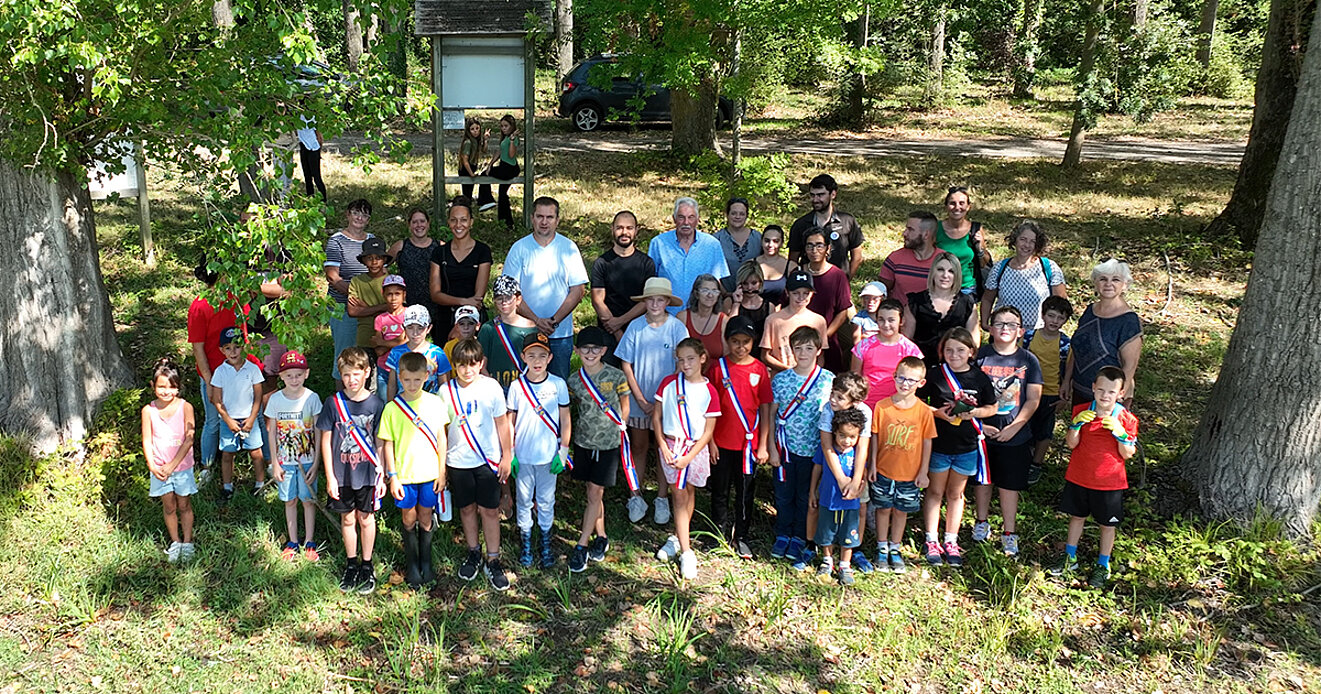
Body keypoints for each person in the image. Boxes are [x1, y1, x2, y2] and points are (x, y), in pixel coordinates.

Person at [1050, 366, 1138, 588]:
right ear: (1093, 388)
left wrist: (1120, 434)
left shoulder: (1126, 418)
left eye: (1111, 391)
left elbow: (1127, 454)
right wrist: (1076, 425)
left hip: (1110, 482)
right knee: (1076, 517)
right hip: (1079, 476)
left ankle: (1103, 565)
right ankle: (1070, 557)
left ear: (1120, 393)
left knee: (1107, 525)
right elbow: (1072, 444)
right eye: (1101, 390)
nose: (1105, 395)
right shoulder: (1081, 410)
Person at [439, 339, 515, 591]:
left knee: (490, 510)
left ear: (481, 363)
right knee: (467, 508)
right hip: (458, 461)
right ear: (454, 365)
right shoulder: (446, 392)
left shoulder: (491, 387)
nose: (467, 370)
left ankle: (493, 559)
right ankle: (474, 552)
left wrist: (507, 455)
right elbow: (443, 431)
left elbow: (502, 423)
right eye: (461, 365)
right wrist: (442, 466)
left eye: (472, 364)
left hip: (487, 460)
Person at [918, 328, 997, 568]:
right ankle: (931, 539)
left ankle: (951, 539)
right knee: (935, 492)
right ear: (942, 351)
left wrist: (975, 412)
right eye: (949, 350)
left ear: (971, 352)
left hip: (967, 446)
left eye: (960, 350)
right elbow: (918, 402)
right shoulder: (935, 374)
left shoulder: (979, 377)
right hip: (939, 444)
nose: (954, 355)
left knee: (956, 494)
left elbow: (992, 407)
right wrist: (937, 413)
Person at [615, 277, 688, 525]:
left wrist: (661, 400)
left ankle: (661, 497)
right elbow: (626, 364)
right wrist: (640, 398)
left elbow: (681, 364)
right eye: (651, 300)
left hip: (667, 402)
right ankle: (635, 495)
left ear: (667, 302)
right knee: (638, 445)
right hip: (640, 398)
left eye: (660, 300)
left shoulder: (677, 328)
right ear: (644, 302)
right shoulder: (635, 327)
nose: (655, 304)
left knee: (663, 447)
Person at [972, 306, 1043, 558]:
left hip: (1015, 435)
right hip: (982, 432)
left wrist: (1015, 427)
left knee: (1009, 486)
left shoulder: (1028, 360)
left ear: (1021, 331)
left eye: (1011, 324)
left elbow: (1033, 399)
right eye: (999, 323)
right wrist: (980, 425)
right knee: (983, 480)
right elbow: (968, 394)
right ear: (990, 328)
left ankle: (1009, 532)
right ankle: (981, 522)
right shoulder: (980, 356)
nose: (1005, 328)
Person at [379, 351, 451, 589]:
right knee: (408, 517)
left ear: (426, 376)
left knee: (426, 516)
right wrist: (392, 476)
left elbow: (441, 438)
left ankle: (426, 563)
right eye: (407, 380)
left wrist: (442, 472)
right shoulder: (392, 408)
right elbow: (388, 443)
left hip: (430, 473)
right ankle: (412, 563)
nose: (412, 385)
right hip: (405, 475)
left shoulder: (435, 403)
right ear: (399, 378)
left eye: (417, 380)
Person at [652, 338, 721, 580]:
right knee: (679, 495)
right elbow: (657, 418)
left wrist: (690, 456)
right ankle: (687, 552)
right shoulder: (668, 384)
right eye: (680, 360)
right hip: (672, 447)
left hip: (695, 449)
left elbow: (708, 431)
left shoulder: (709, 391)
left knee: (689, 491)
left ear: (702, 358)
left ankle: (677, 537)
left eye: (690, 358)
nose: (685, 364)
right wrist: (663, 445)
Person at [318, 347, 386, 595]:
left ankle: (367, 565)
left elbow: (380, 440)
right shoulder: (333, 403)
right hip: (342, 473)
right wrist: (330, 476)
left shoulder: (376, 404)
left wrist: (382, 473)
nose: (351, 380)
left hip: (367, 472)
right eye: (346, 375)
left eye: (356, 374)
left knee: (366, 518)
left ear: (367, 372)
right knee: (347, 518)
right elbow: (326, 440)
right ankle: (351, 563)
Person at [768, 326, 835, 571]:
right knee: (784, 493)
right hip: (785, 447)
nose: (803, 353)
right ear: (791, 351)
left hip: (814, 450)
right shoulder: (781, 379)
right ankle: (782, 533)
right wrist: (771, 447)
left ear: (818, 351)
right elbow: (771, 414)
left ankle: (799, 536)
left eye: (809, 348)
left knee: (806, 495)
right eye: (798, 348)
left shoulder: (827, 379)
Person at [706, 316, 773, 559]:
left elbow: (765, 408)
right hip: (721, 443)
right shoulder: (717, 369)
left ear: (753, 342)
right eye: (735, 341)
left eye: (746, 341)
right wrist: (711, 442)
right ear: (727, 341)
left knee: (745, 493)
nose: (741, 347)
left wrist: (763, 445)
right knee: (719, 491)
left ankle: (741, 536)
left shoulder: (759, 370)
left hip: (748, 446)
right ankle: (717, 533)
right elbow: (708, 408)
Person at [502, 197, 589, 381]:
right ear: (532, 218)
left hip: (560, 334)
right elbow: (510, 292)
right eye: (539, 216)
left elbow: (578, 291)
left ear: (557, 220)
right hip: (523, 332)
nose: (544, 222)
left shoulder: (568, 248)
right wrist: (536, 320)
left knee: (558, 385)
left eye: (549, 217)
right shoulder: (519, 248)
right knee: (523, 386)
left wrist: (553, 322)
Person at [566, 326, 631, 572]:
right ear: (577, 351)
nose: (590, 353)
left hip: (608, 444)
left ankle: (582, 544)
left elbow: (625, 404)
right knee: (592, 493)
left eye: (595, 349)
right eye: (585, 349)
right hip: (583, 442)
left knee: (595, 491)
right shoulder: (573, 380)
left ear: (604, 350)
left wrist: (621, 425)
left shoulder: (616, 376)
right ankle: (601, 535)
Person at [507, 333, 572, 569]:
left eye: (542, 356)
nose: (537, 361)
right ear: (523, 357)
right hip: (523, 455)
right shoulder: (516, 387)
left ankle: (545, 541)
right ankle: (525, 541)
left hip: (548, 456)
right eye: (531, 355)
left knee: (546, 500)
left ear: (550, 358)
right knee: (524, 499)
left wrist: (563, 452)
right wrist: (510, 453)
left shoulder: (557, 384)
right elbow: (510, 421)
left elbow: (565, 419)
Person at [868, 356, 937, 575]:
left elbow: (927, 442)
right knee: (883, 509)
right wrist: (872, 465)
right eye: (901, 378)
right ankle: (881, 547)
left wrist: (924, 471)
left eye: (911, 380)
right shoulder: (882, 407)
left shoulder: (924, 411)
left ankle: (895, 548)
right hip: (883, 470)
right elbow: (874, 437)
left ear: (921, 383)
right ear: (894, 377)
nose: (905, 384)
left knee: (900, 511)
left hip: (910, 474)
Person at [188, 257, 253, 482]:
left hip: (240, 369)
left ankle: (257, 460)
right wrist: (208, 380)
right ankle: (207, 466)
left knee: (248, 414)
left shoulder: (237, 299)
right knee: (213, 420)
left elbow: (245, 334)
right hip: (215, 374)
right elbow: (197, 347)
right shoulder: (200, 305)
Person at [264, 351, 324, 562]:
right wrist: (275, 463)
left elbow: (318, 431)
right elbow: (271, 432)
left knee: (308, 501)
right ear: (281, 376)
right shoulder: (275, 400)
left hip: (307, 461)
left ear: (306, 374)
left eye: (298, 375)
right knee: (290, 501)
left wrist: (316, 463)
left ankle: (309, 541)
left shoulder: (312, 398)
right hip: (285, 462)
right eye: (289, 376)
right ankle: (292, 541)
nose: (294, 379)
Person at [1063, 259, 1143, 407]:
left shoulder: (1128, 321)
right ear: (1095, 282)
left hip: (1107, 399)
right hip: (1080, 391)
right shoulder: (1090, 311)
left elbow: (1130, 365)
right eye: (1103, 279)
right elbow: (1077, 347)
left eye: (1116, 279)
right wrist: (1067, 380)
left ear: (1125, 285)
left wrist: (1117, 397)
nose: (1108, 284)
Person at [141, 358, 197, 564]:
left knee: (184, 504)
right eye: (161, 387)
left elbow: (189, 438)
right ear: (153, 386)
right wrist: (153, 466)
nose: (166, 391)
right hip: (159, 469)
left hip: (181, 468)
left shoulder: (185, 407)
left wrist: (172, 465)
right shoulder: (148, 411)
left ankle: (188, 542)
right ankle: (175, 542)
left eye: (172, 387)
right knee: (169, 506)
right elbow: (147, 440)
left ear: (178, 387)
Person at [816, 371, 872, 573]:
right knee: (827, 510)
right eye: (833, 393)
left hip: (856, 468)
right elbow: (826, 446)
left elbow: (862, 447)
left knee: (858, 509)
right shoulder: (828, 410)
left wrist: (856, 480)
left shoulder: (865, 412)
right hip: (833, 470)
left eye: (840, 397)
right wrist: (841, 478)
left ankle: (852, 551)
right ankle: (826, 555)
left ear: (854, 401)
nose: (833, 399)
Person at [810, 407, 867, 586]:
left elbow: (863, 475)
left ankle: (845, 565)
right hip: (828, 500)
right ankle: (827, 561)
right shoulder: (827, 451)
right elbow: (817, 469)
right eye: (842, 435)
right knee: (826, 532)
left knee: (848, 535)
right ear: (834, 432)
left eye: (852, 437)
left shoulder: (857, 454)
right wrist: (812, 491)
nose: (847, 441)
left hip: (850, 504)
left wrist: (861, 486)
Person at [590, 210, 656, 363]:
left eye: (629, 228)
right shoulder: (602, 263)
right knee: (608, 376)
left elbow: (646, 300)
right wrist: (617, 331)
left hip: (639, 330)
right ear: (612, 229)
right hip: (607, 332)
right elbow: (597, 300)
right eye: (619, 228)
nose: (624, 232)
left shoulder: (646, 263)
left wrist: (620, 322)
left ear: (636, 230)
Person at [325, 199, 378, 384]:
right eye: (356, 213)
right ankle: (341, 397)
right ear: (347, 214)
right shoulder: (336, 241)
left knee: (366, 355)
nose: (359, 218)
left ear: (368, 219)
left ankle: (364, 395)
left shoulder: (372, 240)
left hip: (369, 308)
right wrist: (357, 296)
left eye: (364, 215)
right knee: (344, 355)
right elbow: (332, 277)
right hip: (342, 307)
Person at [981, 220, 1067, 331]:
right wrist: (985, 323)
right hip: (1006, 332)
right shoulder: (999, 268)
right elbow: (987, 299)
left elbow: (1061, 304)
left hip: (1039, 334)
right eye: (1023, 239)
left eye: (1032, 241)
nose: (1027, 245)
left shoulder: (1049, 268)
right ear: (1015, 240)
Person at [648, 197, 730, 314]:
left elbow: (717, 282)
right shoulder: (658, 243)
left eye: (691, 217)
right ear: (674, 219)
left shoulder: (712, 245)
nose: (686, 222)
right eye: (681, 217)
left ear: (698, 220)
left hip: (700, 315)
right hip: (667, 314)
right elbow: (651, 281)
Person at [210, 327, 266, 500]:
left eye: (237, 347)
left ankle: (260, 484)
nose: (233, 352)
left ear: (243, 347)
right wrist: (228, 420)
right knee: (228, 453)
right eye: (228, 348)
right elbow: (217, 400)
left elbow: (258, 396)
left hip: (249, 418)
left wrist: (252, 418)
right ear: (222, 350)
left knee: (256, 452)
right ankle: (227, 487)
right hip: (229, 420)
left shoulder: (252, 369)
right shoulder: (220, 372)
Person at [1024, 296, 1074, 484]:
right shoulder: (1029, 337)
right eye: (1051, 316)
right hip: (1028, 390)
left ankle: (1036, 464)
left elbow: (1068, 369)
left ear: (1065, 321)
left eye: (1060, 318)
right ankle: (1023, 458)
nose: (1055, 321)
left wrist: (1065, 390)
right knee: (1025, 425)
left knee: (1044, 430)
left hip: (1051, 392)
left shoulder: (1065, 344)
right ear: (1043, 315)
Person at [429, 197, 492, 343]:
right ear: (448, 222)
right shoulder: (439, 252)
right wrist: (463, 301)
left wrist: (462, 325)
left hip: (472, 319)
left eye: (463, 220)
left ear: (471, 222)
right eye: (454, 220)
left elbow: (478, 297)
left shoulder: (482, 251)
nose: (458, 225)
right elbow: (435, 294)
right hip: (444, 320)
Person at [903, 251, 980, 368]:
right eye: (940, 270)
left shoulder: (967, 303)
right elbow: (906, 341)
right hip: (922, 367)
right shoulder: (915, 302)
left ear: (957, 275)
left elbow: (974, 342)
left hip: (955, 366)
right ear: (933, 272)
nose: (945, 275)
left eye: (951, 271)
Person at [852, 298, 923, 413]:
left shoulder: (910, 350)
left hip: (897, 408)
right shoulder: (863, 346)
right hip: (867, 407)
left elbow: (915, 383)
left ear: (901, 321)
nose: (886, 325)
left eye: (891, 320)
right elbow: (854, 377)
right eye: (881, 319)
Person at [788, 174, 863, 278]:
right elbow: (793, 260)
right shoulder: (801, 224)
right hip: (809, 282)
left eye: (820, 195)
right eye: (812, 195)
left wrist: (846, 280)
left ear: (833, 194)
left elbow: (857, 257)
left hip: (838, 280)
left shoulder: (847, 221)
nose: (815, 200)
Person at [800, 227, 854, 372]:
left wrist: (823, 337)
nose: (814, 250)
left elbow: (842, 312)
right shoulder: (798, 273)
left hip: (827, 339)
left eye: (819, 245)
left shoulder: (838, 276)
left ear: (828, 248)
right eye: (810, 245)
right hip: (799, 341)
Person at [478, 275, 541, 391]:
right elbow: (481, 365)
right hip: (495, 387)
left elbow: (537, 362)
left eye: (508, 297)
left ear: (518, 299)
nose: (503, 302)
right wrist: (494, 388)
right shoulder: (488, 329)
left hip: (523, 387)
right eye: (499, 298)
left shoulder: (532, 328)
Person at [387, 208, 444, 336]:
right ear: (409, 225)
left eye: (422, 221)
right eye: (414, 222)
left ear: (428, 223)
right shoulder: (401, 246)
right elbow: (381, 265)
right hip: (408, 305)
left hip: (436, 304)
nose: (419, 225)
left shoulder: (440, 246)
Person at [760, 270, 828, 373]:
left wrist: (812, 374)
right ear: (787, 292)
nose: (801, 297)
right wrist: (789, 371)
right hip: (782, 377)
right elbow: (765, 355)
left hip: (809, 378)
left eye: (806, 293)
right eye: (796, 293)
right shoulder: (773, 320)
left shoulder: (819, 321)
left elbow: (821, 355)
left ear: (812, 294)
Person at [385, 305, 452, 401]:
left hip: (430, 404)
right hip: (403, 405)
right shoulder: (396, 352)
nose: (415, 333)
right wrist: (390, 405)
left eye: (420, 327)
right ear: (404, 327)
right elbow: (392, 384)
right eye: (410, 327)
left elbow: (444, 386)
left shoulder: (438, 353)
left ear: (429, 328)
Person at [935, 186, 991, 297]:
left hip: (967, 288)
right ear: (946, 206)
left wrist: (980, 248)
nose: (957, 207)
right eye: (952, 203)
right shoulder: (936, 228)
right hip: (941, 287)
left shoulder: (975, 229)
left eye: (962, 203)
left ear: (968, 207)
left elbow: (984, 263)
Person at [879, 212, 940, 307]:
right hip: (899, 314)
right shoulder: (895, 258)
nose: (904, 233)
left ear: (926, 234)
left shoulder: (944, 261)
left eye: (910, 229)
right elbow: (881, 291)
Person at [346, 237, 391, 357]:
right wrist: (383, 307)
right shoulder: (356, 281)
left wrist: (365, 308)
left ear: (384, 259)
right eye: (369, 258)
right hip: (365, 337)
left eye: (378, 258)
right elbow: (352, 311)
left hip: (390, 337)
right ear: (364, 260)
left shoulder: (392, 280)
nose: (374, 262)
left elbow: (397, 310)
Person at [713, 197, 761, 293]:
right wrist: (725, 294)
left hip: (752, 294)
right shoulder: (716, 239)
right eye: (733, 213)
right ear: (727, 215)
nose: (737, 217)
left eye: (742, 214)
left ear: (746, 216)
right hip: (724, 295)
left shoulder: (758, 238)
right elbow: (711, 270)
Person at [676, 273, 728, 359]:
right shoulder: (682, 317)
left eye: (714, 291)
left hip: (716, 368)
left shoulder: (724, 321)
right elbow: (676, 352)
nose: (710, 295)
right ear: (696, 294)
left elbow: (727, 356)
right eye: (705, 290)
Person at [371, 275, 408, 394]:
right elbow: (379, 351)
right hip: (384, 368)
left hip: (406, 368)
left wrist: (383, 343)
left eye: (397, 294)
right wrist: (399, 340)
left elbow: (408, 342)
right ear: (383, 295)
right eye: (389, 294)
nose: (393, 298)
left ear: (404, 294)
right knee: (385, 401)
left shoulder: (409, 315)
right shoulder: (380, 319)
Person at [729, 260, 774, 355]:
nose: (749, 288)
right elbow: (729, 328)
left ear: (760, 283)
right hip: (737, 353)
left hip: (760, 354)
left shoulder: (769, 307)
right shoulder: (730, 302)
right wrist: (736, 303)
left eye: (754, 283)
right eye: (745, 283)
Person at [488, 114, 522, 228]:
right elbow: (499, 152)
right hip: (503, 166)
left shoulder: (513, 138)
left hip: (509, 168)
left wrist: (512, 140)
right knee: (502, 193)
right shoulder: (505, 138)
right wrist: (490, 164)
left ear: (512, 126)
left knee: (486, 176)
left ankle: (486, 200)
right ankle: (506, 221)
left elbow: (511, 155)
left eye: (506, 126)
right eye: (502, 126)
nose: (503, 128)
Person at [458, 117, 496, 209]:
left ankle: (469, 206)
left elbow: (484, 150)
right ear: (468, 131)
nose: (475, 131)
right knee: (467, 192)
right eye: (472, 129)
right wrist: (471, 173)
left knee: (470, 191)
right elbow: (465, 160)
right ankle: (465, 208)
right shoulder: (468, 142)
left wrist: (485, 140)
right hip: (466, 169)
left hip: (472, 166)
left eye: (477, 128)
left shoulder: (476, 141)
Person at [756, 224, 796, 305]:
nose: (770, 245)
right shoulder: (751, 264)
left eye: (775, 241)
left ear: (782, 243)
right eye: (767, 240)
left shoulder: (791, 266)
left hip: (782, 311)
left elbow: (797, 294)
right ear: (761, 241)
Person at [297, 114, 325, 201]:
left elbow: (319, 135)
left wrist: (319, 150)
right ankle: (310, 198)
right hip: (303, 147)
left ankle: (324, 200)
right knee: (307, 176)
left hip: (313, 148)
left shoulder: (312, 116)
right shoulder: (297, 117)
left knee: (316, 177)